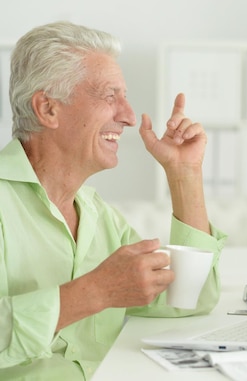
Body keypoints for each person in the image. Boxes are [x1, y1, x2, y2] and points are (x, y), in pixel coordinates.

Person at [0, 21, 226, 379]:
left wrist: (184, 175)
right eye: (110, 96)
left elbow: (188, 297)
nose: (129, 116)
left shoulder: (97, 215)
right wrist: (94, 292)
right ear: (48, 109)